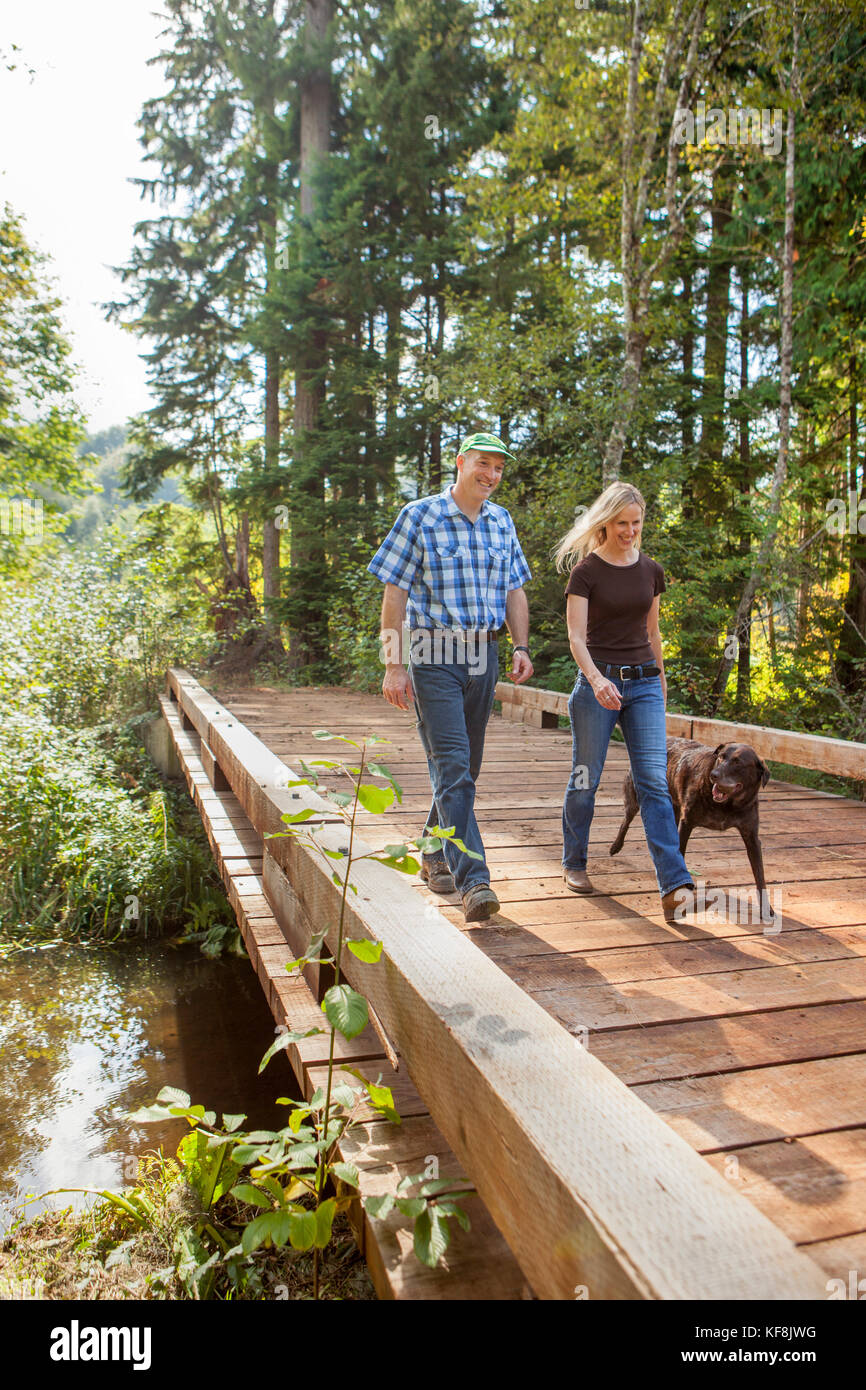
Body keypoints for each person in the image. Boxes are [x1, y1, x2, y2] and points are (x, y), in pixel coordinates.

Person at [367, 432, 534, 921]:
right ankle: (474, 881)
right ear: (461, 462)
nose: (491, 475)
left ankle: (435, 850)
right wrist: (394, 664)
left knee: (465, 768)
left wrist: (520, 644)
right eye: (483, 464)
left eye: (499, 468)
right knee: (454, 765)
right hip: (432, 652)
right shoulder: (419, 516)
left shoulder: (502, 521)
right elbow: (394, 594)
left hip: (485, 654)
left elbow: (515, 591)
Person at [554, 481, 694, 922]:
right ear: (605, 522)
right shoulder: (586, 573)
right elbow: (576, 637)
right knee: (585, 778)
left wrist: (662, 686)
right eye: (621, 523)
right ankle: (574, 861)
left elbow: (652, 635)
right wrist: (596, 680)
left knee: (653, 780)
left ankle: (674, 884)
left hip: (644, 686)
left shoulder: (651, 570)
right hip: (598, 684)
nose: (630, 531)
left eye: (636, 523)